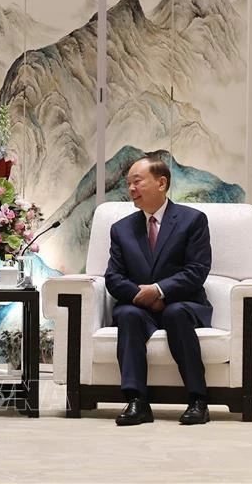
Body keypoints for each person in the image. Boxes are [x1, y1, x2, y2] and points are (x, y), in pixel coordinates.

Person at [105, 155, 212, 426]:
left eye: (137, 182)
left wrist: (159, 290)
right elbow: (113, 277)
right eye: (128, 184)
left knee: (176, 313)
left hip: (183, 303)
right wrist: (143, 296)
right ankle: (137, 402)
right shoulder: (121, 229)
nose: (131, 189)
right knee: (127, 314)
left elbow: (197, 270)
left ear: (161, 183)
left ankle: (198, 400)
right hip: (140, 308)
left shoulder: (193, 221)